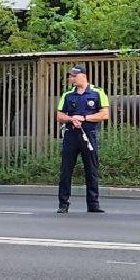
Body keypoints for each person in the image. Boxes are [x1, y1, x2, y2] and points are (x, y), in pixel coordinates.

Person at [55, 65, 108, 214]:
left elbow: (104, 114)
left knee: (91, 168)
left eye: (74, 76)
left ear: (83, 76)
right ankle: (63, 203)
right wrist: (72, 119)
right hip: (71, 134)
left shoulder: (97, 93)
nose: (71, 78)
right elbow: (59, 116)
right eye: (70, 76)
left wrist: (85, 118)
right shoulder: (67, 95)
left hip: (89, 133)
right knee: (66, 169)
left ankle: (93, 204)